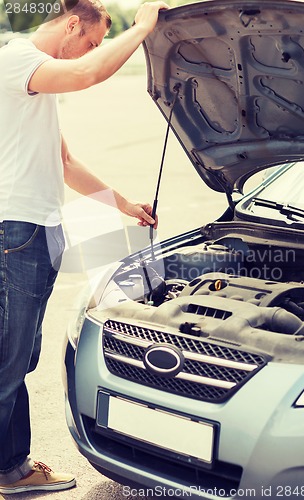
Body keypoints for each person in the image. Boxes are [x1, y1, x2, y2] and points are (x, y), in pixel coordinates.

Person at [0, 0, 169, 495]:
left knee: (17, 361)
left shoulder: (33, 84)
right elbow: (90, 74)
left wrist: (124, 205)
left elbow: (67, 163)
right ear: (72, 24)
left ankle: (11, 469)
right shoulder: (17, 61)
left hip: (37, 233)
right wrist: (142, 29)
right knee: (7, 365)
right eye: (91, 41)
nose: (91, 52)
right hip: (17, 233)